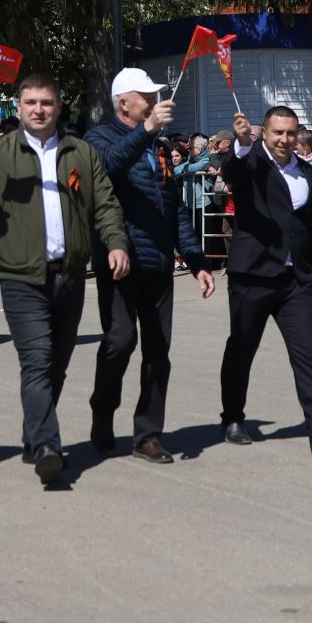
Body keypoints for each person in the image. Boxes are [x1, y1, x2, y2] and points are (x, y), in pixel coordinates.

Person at [0, 73, 130, 485]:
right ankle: (47, 444)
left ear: (59, 106)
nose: (39, 110)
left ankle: (32, 436)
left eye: (46, 102)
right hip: (20, 278)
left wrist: (116, 243)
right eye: (30, 103)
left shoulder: (80, 152)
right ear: (19, 107)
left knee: (56, 365)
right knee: (38, 361)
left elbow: (105, 205)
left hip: (71, 275)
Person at [84, 69, 215, 463]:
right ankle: (103, 413)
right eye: (148, 96)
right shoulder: (99, 137)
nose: (156, 102)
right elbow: (107, 166)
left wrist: (197, 261)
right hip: (120, 261)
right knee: (120, 342)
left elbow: (172, 207)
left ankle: (147, 434)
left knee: (159, 350)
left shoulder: (156, 145)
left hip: (157, 261)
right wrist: (145, 132)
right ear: (124, 102)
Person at [213, 106, 312, 457]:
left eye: (290, 133)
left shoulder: (305, 170)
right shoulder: (251, 162)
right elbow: (233, 172)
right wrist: (242, 143)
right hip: (253, 277)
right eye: (278, 133)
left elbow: (308, 223)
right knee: (242, 349)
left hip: (295, 282)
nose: (285, 140)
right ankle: (232, 418)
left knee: (307, 354)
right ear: (265, 133)